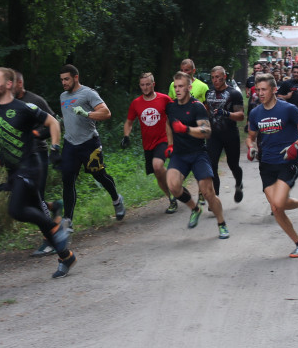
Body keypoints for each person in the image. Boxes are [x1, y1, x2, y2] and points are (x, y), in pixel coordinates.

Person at [0, 68, 76, 279]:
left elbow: (53, 123)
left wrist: (55, 149)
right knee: (39, 213)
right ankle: (66, 256)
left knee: (16, 209)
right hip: (14, 171)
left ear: (9, 84)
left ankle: (57, 229)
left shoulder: (25, 107)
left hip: (32, 166)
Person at [246, 73, 298, 258]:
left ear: (274, 90)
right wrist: (251, 147)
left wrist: (296, 146)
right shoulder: (255, 113)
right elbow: (251, 136)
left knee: (278, 202)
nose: (260, 93)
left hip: (287, 161)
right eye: (258, 90)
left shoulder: (288, 109)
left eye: (264, 89)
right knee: (277, 208)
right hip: (266, 163)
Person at [164, 72, 230, 239]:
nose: (177, 89)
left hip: (198, 153)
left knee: (208, 192)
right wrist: (170, 144)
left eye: (181, 86)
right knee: (172, 185)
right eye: (175, 86)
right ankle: (195, 208)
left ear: (189, 87)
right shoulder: (171, 107)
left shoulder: (197, 106)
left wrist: (186, 129)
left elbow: (207, 131)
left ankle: (222, 223)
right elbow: (168, 124)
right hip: (179, 154)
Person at [58, 64, 125, 224]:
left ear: (76, 77)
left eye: (66, 79)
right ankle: (68, 220)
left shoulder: (88, 93)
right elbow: (68, 119)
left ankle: (116, 199)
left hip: (89, 143)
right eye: (61, 80)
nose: (64, 83)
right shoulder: (62, 96)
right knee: (67, 180)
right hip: (70, 144)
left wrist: (87, 113)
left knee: (99, 175)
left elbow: (106, 113)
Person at [13, 72, 60, 257]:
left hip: (37, 154)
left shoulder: (35, 100)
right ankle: (54, 207)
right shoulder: (9, 104)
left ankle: (51, 240)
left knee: (36, 198)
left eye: (12, 83)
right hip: (20, 157)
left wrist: (36, 133)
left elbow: (53, 123)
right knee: (30, 200)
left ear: (19, 83)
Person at [122, 72, 179, 213]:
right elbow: (129, 122)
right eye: (142, 85)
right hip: (148, 144)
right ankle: (171, 197)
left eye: (148, 84)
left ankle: (173, 186)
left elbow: (177, 112)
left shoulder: (164, 99)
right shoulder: (136, 103)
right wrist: (126, 136)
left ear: (153, 84)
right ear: (140, 86)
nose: (145, 87)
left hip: (163, 139)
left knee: (158, 166)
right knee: (157, 172)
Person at [205, 66, 245, 203]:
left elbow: (241, 116)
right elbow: (206, 112)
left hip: (230, 135)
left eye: (218, 77)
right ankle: (215, 197)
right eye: (213, 77)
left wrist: (226, 114)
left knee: (233, 164)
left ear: (224, 77)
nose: (215, 80)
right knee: (211, 165)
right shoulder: (208, 93)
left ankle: (239, 184)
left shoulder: (234, 93)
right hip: (213, 136)